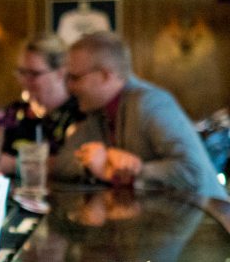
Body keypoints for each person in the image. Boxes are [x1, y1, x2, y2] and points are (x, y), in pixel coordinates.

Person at [52, 32, 226, 200]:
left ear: (106, 76)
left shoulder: (150, 102)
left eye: (75, 78)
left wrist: (131, 172)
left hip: (208, 220)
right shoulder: (98, 112)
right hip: (165, 220)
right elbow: (63, 163)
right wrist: (93, 163)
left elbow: (193, 171)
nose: (69, 87)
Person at [0, 34, 82, 174]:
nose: (24, 80)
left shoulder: (80, 112)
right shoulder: (14, 112)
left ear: (60, 72)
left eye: (34, 74)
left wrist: (15, 165)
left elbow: (74, 162)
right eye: (22, 72)